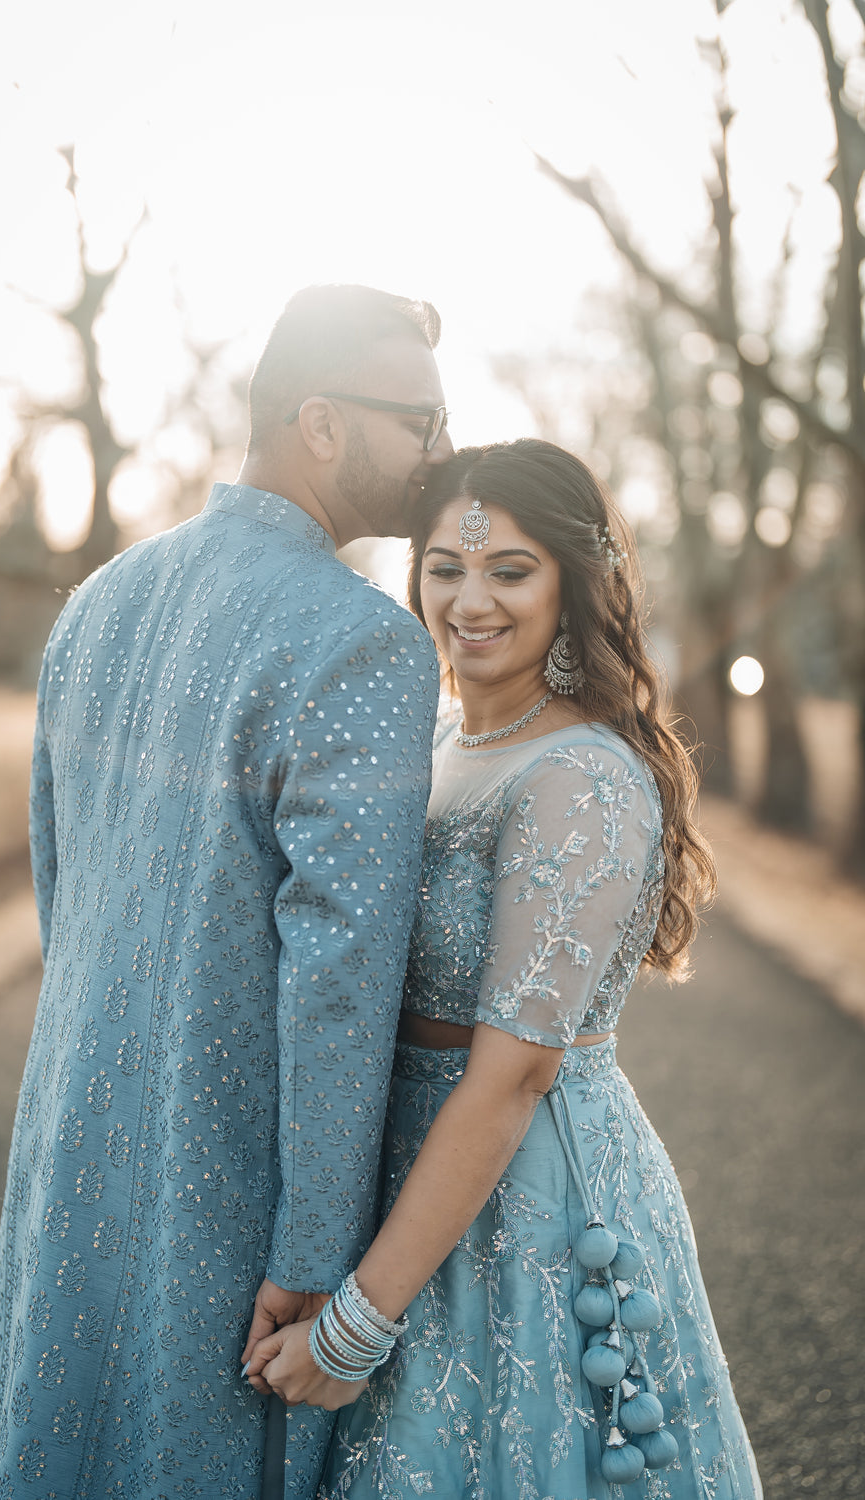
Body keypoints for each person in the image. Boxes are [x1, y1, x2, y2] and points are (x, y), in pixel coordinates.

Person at [0, 284, 453, 1500]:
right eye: (418, 422)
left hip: (69, 1154)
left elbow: (64, 895)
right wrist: (320, 1257)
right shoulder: (365, 642)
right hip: (232, 1197)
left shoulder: (97, 602)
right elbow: (339, 983)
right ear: (319, 425)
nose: (442, 452)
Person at [247, 439, 763, 1498]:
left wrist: (355, 1328)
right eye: (445, 567)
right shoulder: (435, 739)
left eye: (509, 569)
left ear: (575, 582)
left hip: (525, 1201)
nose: (470, 599)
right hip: (399, 1176)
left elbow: (513, 1076)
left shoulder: (581, 774)